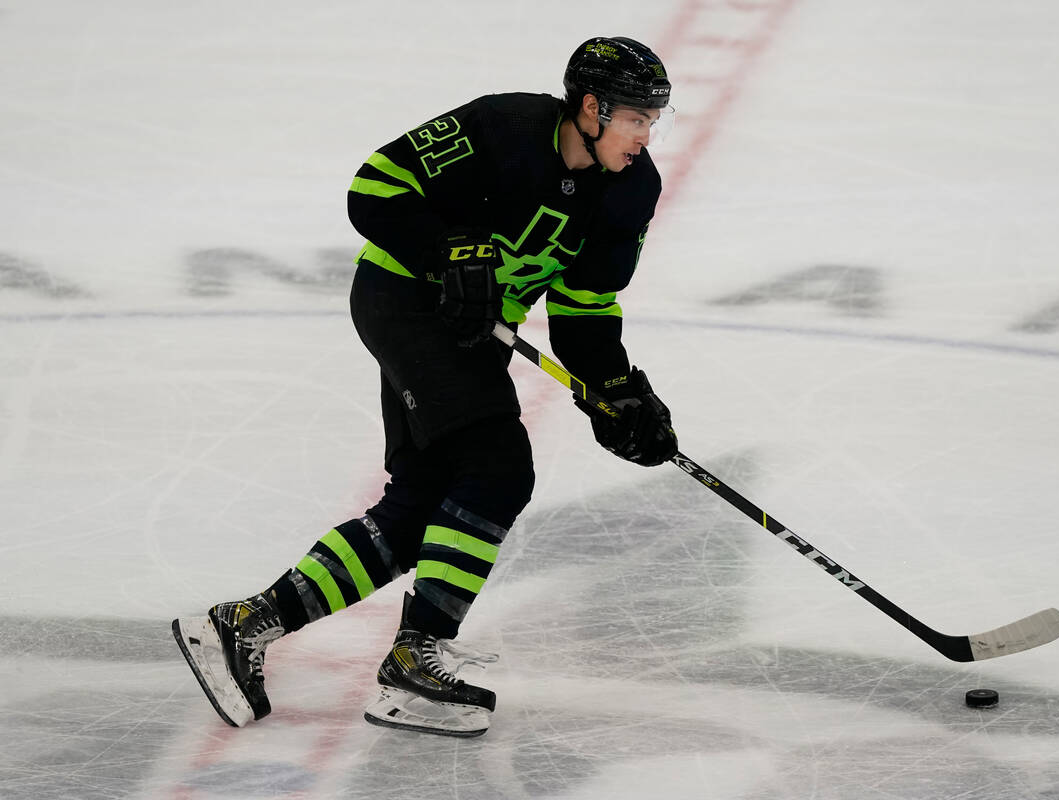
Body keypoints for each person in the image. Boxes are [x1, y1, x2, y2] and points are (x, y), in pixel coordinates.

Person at [172, 36, 679, 738]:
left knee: (427, 507)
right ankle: (412, 662)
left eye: (655, 121)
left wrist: (618, 391)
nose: (646, 136)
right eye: (637, 119)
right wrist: (448, 251)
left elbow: (585, 308)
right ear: (591, 109)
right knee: (497, 468)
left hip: (474, 335)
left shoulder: (633, 191)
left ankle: (242, 625)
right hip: (406, 301)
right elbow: (375, 187)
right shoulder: (501, 128)